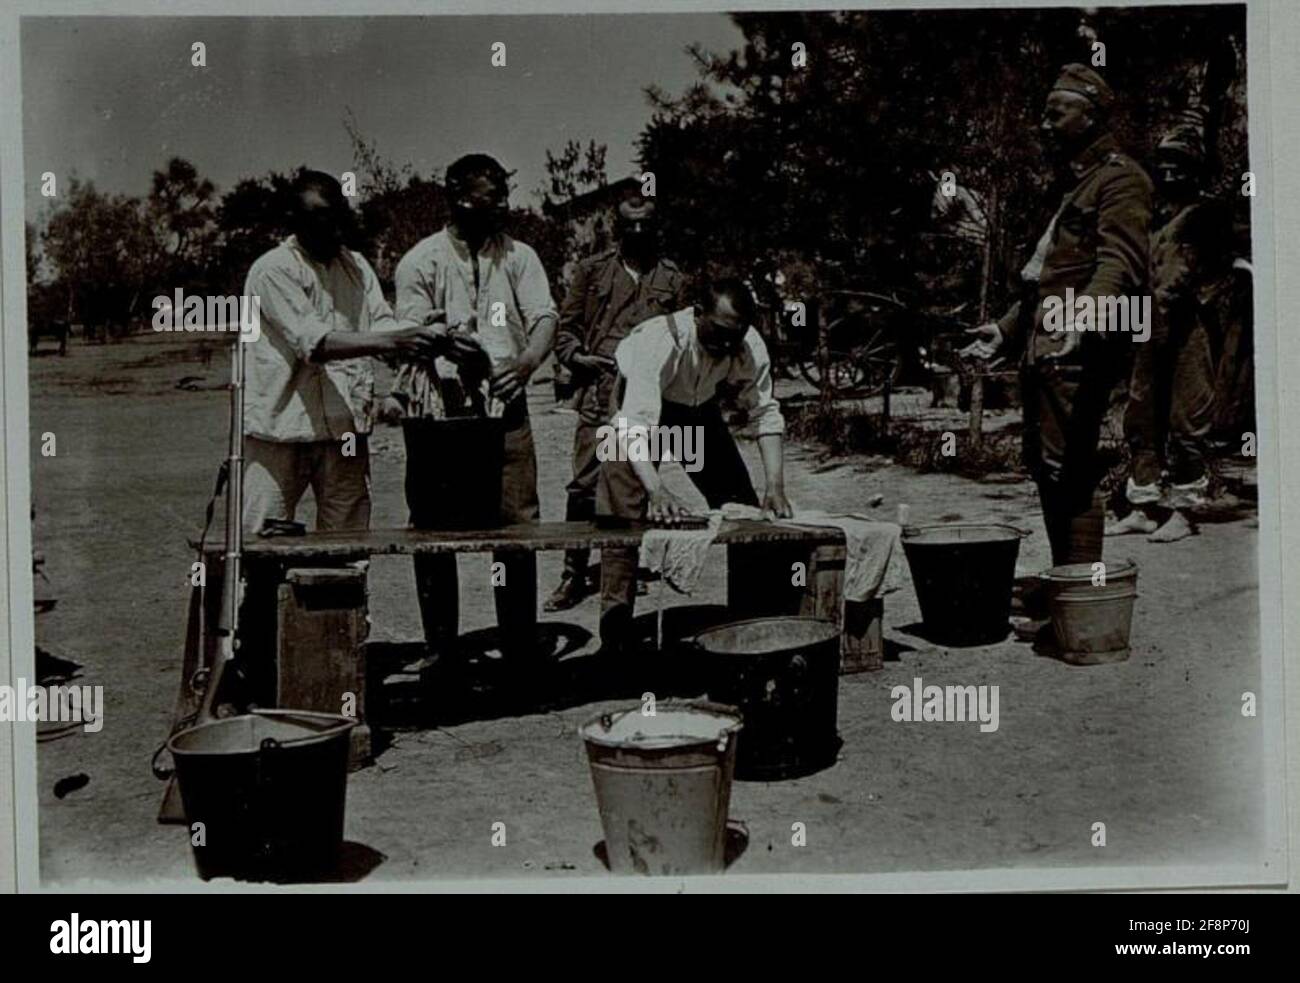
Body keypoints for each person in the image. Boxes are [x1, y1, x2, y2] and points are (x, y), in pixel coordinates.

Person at [964, 64, 1152, 575]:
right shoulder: (1079, 182)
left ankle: (1079, 592)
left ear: (1089, 116)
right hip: (1049, 339)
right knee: (1050, 468)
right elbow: (1051, 271)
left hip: (1078, 343)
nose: (1045, 124)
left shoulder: (1122, 180)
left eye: (1056, 113)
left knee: (1068, 467)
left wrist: (1082, 322)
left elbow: (1122, 262)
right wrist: (1005, 328)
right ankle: (1066, 583)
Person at [393, 154, 558, 666]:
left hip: (505, 412)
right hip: (440, 417)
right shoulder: (420, 260)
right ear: (460, 196)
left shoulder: (520, 257)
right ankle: (441, 647)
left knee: (516, 527)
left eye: (505, 193)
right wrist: (439, 344)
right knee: (433, 530)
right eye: (495, 195)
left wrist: (527, 362)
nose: (505, 204)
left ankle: (518, 643)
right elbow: (403, 336)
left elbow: (545, 317)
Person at [595, 276, 793, 654]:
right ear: (697, 313)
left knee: (743, 507)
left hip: (696, 412)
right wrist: (657, 489)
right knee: (621, 517)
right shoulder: (659, 340)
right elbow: (634, 423)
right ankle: (616, 640)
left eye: (735, 336)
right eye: (718, 333)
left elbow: (765, 414)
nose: (726, 345)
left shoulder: (747, 344)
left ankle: (750, 623)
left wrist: (776, 486)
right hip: (630, 410)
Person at [242, 170, 445, 536]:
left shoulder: (356, 265)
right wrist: (397, 342)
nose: (331, 227)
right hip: (280, 432)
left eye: (337, 216)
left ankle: (341, 595)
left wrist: (419, 332)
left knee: (348, 543)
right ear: (294, 222)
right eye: (318, 218)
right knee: (262, 543)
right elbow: (315, 343)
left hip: (345, 431)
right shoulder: (272, 270)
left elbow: (380, 325)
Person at [546, 187, 689, 612]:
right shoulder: (592, 271)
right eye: (631, 225)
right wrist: (579, 358)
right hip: (601, 390)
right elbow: (565, 329)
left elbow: (682, 338)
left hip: (647, 400)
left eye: (647, 224)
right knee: (585, 486)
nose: (640, 231)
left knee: (633, 483)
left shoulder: (672, 278)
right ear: (617, 227)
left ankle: (622, 570)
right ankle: (573, 574)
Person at [1108, 119, 1230, 542]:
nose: (1171, 173)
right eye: (1165, 164)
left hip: (1187, 326)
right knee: (1140, 414)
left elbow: (1186, 275)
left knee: (1186, 417)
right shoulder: (1152, 214)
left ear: (1196, 169)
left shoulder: (1206, 214)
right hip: (1146, 320)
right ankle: (1142, 503)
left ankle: (1183, 510)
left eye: (1181, 165)